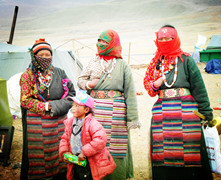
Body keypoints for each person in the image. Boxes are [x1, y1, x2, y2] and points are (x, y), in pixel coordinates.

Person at [143, 25, 213, 180]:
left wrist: (206, 112)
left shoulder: (186, 59)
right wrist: (155, 84)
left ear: (175, 39)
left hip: (187, 112)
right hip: (162, 113)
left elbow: (198, 87)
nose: (164, 41)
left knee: (190, 147)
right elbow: (148, 87)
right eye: (161, 39)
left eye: (168, 38)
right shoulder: (155, 63)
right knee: (163, 149)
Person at [77, 29, 139, 179]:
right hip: (95, 112)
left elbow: (130, 91)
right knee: (95, 143)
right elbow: (80, 81)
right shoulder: (92, 61)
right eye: (99, 41)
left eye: (104, 42)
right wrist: (89, 84)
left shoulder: (122, 64)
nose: (100, 44)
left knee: (115, 147)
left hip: (116, 113)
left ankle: (116, 176)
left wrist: (132, 119)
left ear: (113, 44)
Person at [20, 39, 75, 179]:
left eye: (48, 54)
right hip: (37, 122)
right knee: (40, 155)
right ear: (34, 56)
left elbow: (71, 94)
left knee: (59, 149)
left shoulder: (60, 72)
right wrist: (44, 106)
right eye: (41, 55)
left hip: (59, 118)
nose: (45, 58)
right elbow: (25, 100)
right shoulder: (28, 75)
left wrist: (54, 106)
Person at [59, 90, 116, 180]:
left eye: (77, 106)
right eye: (73, 105)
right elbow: (64, 139)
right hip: (75, 161)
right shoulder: (70, 123)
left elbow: (100, 139)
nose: (73, 108)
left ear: (86, 110)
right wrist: (64, 152)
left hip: (89, 162)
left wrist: (84, 152)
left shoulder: (92, 124)